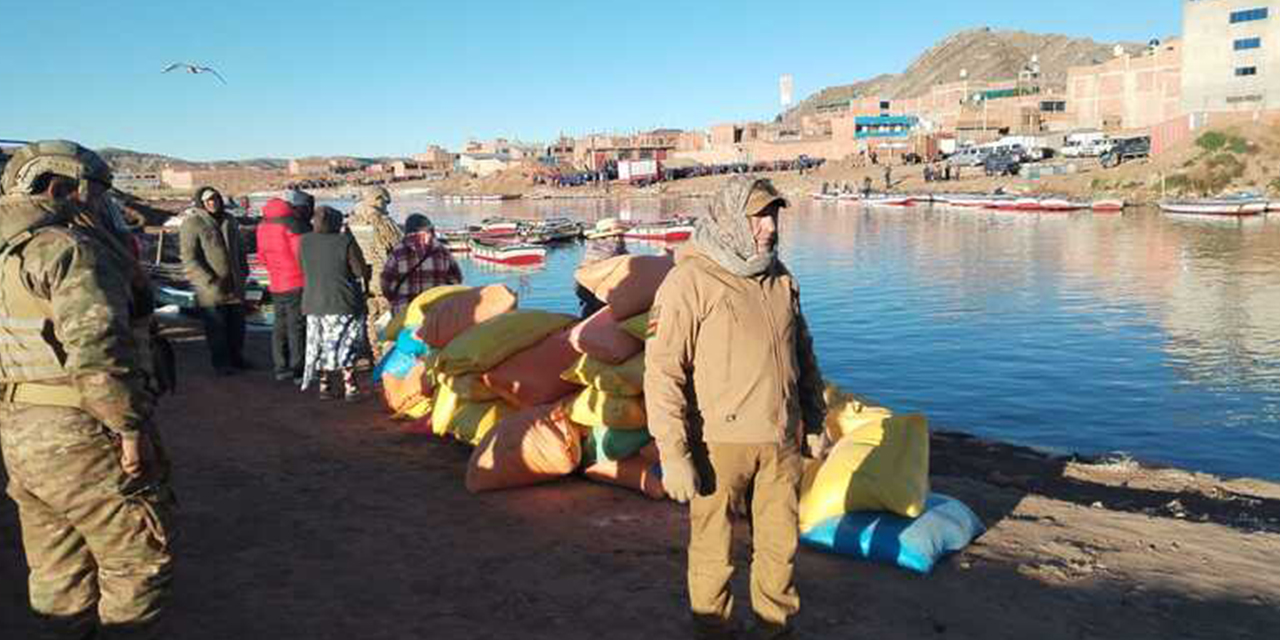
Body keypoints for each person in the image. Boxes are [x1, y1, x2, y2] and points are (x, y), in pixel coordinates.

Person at [0, 140, 174, 638]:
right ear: (60, 187)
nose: (105, 206)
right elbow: (99, 353)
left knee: (58, 569)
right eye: (98, 193)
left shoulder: (11, 252)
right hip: (80, 429)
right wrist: (129, 428)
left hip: (20, 433)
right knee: (136, 562)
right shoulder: (68, 249)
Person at [645, 176, 826, 640]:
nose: (769, 226)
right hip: (718, 446)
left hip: (780, 441)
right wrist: (673, 454)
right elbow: (663, 372)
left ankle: (775, 627)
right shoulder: (690, 280)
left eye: (774, 215)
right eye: (759, 216)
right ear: (731, 218)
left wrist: (814, 419)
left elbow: (803, 356)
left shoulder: (781, 277)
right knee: (713, 548)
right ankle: (713, 628)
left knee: (780, 546)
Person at [301, 206, 372, 401]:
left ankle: (325, 385)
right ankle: (350, 385)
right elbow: (359, 271)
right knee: (345, 343)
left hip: (313, 301)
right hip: (342, 300)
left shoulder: (305, 241)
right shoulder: (345, 241)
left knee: (321, 342)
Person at [180, 185, 250, 375]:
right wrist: (207, 280)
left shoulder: (230, 220)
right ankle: (221, 363)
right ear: (201, 203)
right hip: (211, 287)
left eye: (216, 199)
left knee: (237, 325)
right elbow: (189, 257)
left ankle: (237, 357)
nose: (213, 203)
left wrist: (244, 270)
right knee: (216, 327)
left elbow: (240, 248)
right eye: (209, 200)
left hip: (234, 283)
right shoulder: (192, 223)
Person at [256, 195, 310, 383]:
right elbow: (301, 254)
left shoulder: (262, 226)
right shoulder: (291, 224)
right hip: (296, 281)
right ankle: (298, 369)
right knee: (296, 326)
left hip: (276, 282)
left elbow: (261, 257)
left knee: (279, 325)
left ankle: (280, 367)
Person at [346, 185, 403, 357]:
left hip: (364, 278)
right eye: (385, 201)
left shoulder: (353, 222)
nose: (386, 206)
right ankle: (386, 357)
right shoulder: (382, 222)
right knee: (387, 318)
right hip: (384, 277)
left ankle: (375, 352)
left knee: (372, 316)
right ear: (378, 200)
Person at [380, 213, 462, 316]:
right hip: (435, 313)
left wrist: (395, 299)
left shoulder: (398, 252)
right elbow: (455, 282)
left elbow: (386, 284)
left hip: (405, 314)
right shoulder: (443, 252)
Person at [576, 217, 628, 318]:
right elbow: (580, 288)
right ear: (602, 238)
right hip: (598, 311)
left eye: (621, 235)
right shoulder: (596, 257)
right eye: (613, 236)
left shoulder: (622, 254)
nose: (619, 239)